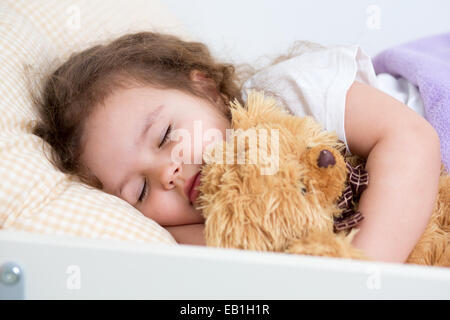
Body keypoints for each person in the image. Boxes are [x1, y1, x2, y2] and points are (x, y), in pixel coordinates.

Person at [32, 32, 442, 263]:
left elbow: (412, 140)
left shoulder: (285, 93)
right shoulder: (223, 216)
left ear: (206, 89)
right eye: (139, 192)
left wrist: (366, 274)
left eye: (164, 136)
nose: (167, 174)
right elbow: (243, 246)